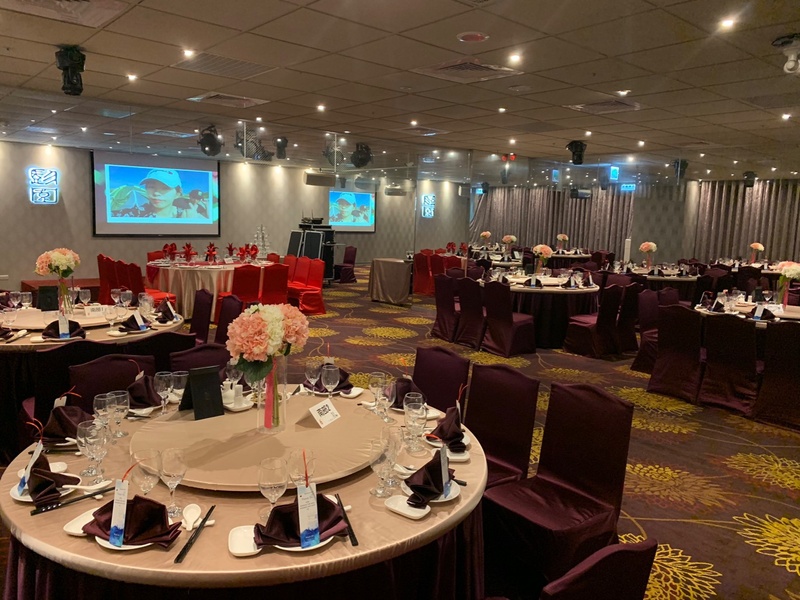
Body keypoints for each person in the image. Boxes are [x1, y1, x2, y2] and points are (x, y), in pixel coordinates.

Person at [114, 169, 200, 219]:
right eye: (151, 187)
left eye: (165, 188)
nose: (156, 193)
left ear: (178, 193)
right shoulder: (135, 213)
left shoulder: (188, 215)